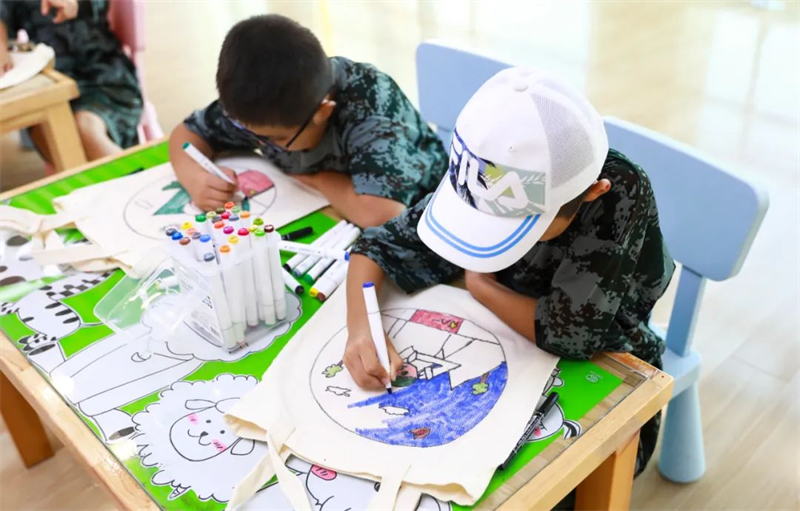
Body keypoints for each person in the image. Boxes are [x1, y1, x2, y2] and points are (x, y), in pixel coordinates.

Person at [342, 67, 675, 476]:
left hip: (608, 371)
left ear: (591, 192)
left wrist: (480, 285)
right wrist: (361, 331)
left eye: (512, 225)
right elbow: (377, 245)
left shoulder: (619, 192)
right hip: (508, 341)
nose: (486, 229)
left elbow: (570, 334)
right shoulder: (493, 163)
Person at [169, 14, 447, 226]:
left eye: (276, 139)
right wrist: (195, 178)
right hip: (327, 209)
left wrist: (318, 179)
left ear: (323, 112)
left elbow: (381, 215)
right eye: (246, 131)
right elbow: (186, 134)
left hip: (428, 217)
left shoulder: (372, 106)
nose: (261, 144)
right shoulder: (258, 101)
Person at [0, 0, 143, 160]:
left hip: (103, 78)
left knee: (85, 129)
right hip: (50, 88)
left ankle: (136, 174)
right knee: (51, 133)